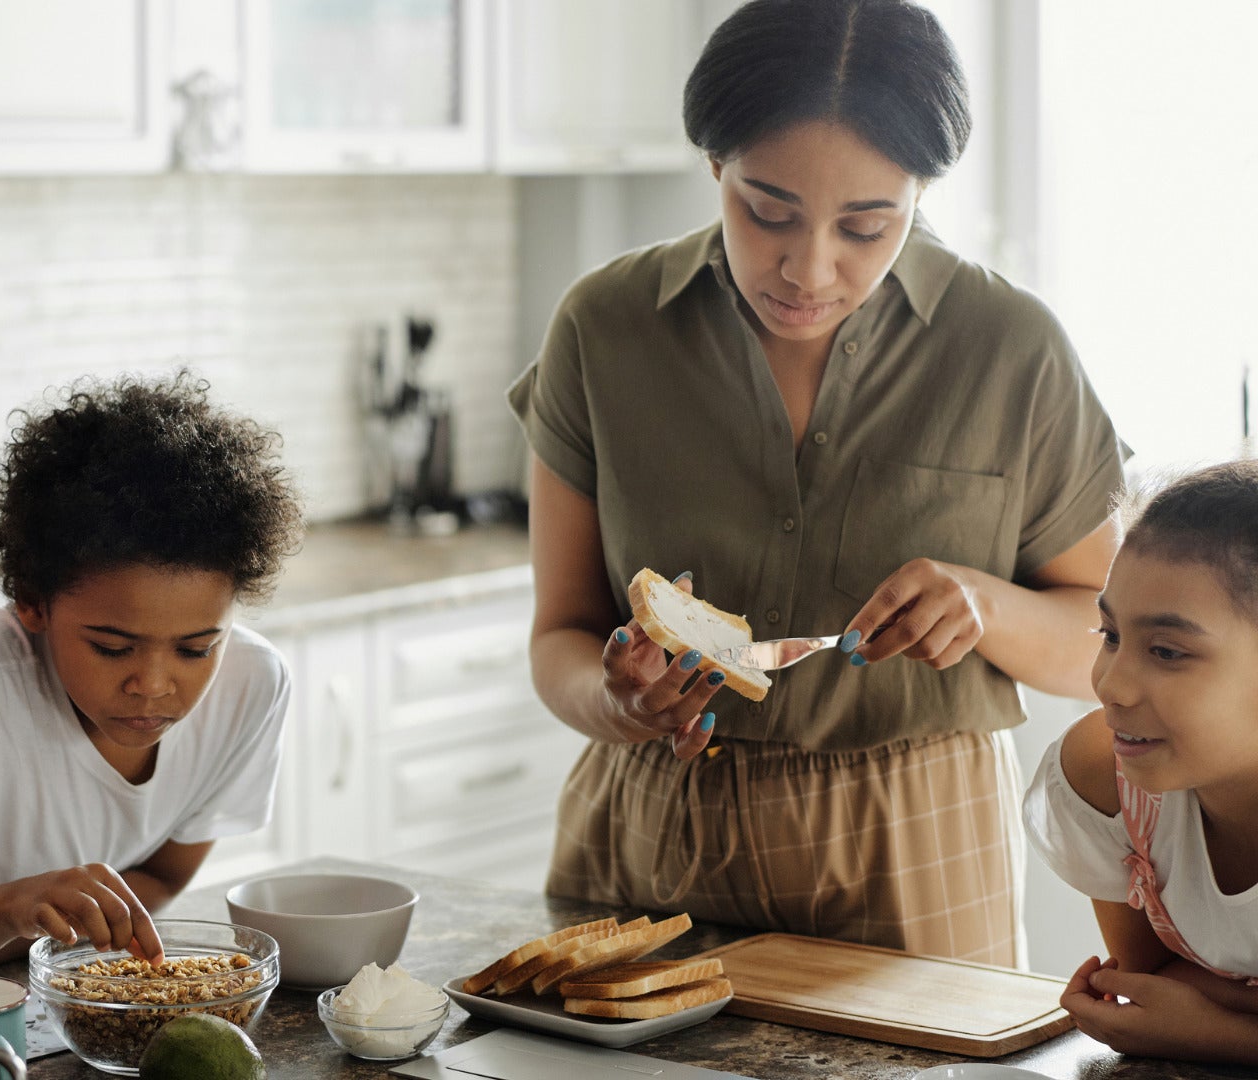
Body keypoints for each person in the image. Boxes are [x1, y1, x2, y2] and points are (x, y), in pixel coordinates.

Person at [513, 0, 1127, 965]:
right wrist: (618, 702)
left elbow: (1104, 639)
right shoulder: (605, 326)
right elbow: (560, 634)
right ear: (715, 163)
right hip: (643, 838)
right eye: (768, 212)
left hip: (914, 841)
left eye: (867, 226)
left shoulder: (1011, 349)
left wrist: (983, 605)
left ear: (921, 193)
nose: (810, 269)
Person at [0, 372, 304, 982]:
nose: (155, 684)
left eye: (195, 649)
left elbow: (162, 877)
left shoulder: (253, 684)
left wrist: (30, 928)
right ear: (33, 602)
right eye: (113, 647)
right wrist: (15, 907)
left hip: (51, 987)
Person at [1025, 462, 1258, 1065]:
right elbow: (1153, 987)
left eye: (1166, 650)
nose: (1111, 685)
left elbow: (1180, 1016)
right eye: (1109, 634)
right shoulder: (1106, 778)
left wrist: (1222, 1036)